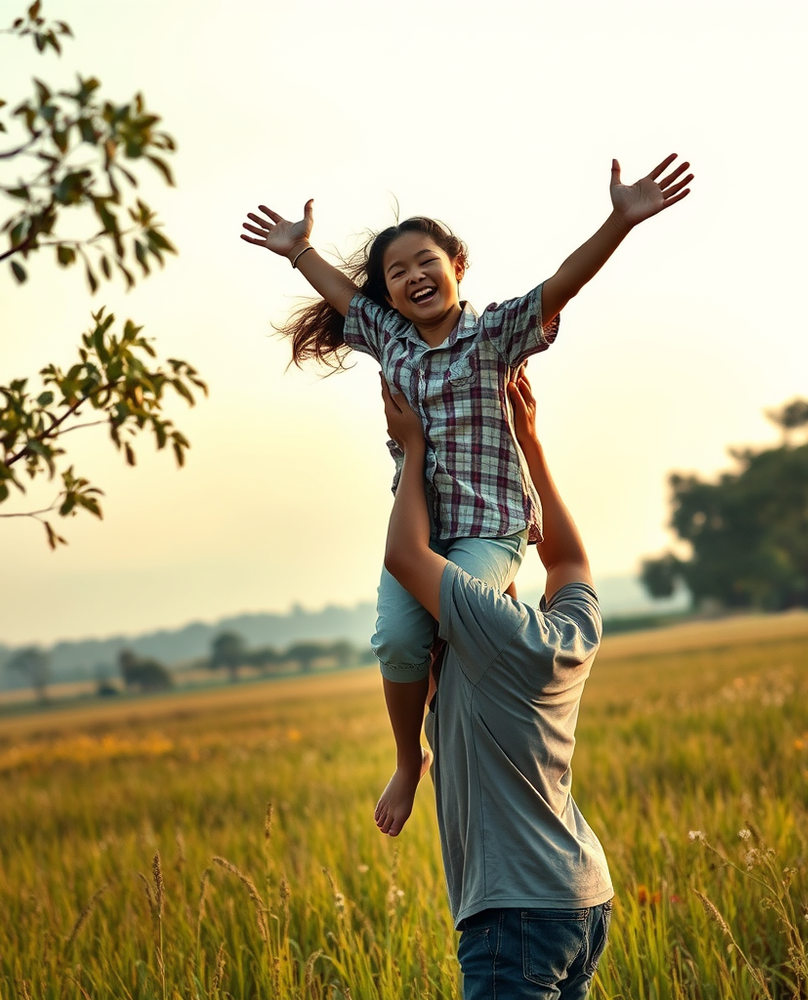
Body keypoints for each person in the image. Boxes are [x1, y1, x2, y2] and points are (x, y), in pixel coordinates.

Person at [241, 155, 692, 837]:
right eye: (397, 272)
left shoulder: (492, 335)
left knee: (463, 625)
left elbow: (560, 284)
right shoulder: (387, 336)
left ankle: (495, 642)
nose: (413, 277)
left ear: (457, 264)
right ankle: (408, 756)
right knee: (397, 640)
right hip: (419, 534)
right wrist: (298, 249)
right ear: (388, 296)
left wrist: (620, 221)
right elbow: (341, 296)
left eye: (426, 261)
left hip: (489, 528)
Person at [380, 369, 612, 999]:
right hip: (584, 899)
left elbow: (405, 557)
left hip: (515, 917)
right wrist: (528, 443)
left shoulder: (493, 636)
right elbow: (567, 560)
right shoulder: (570, 635)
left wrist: (415, 452)